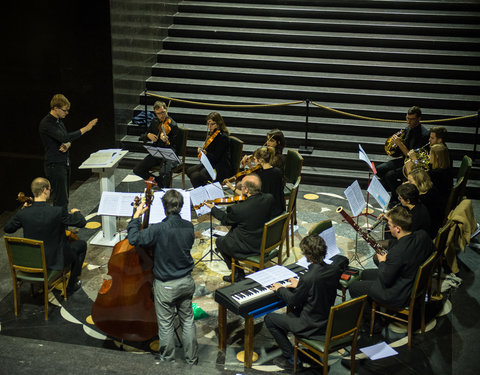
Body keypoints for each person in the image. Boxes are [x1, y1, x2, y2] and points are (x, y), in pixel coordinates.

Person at [126, 189, 198, 365]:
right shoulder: (189, 227)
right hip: (187, 282)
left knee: (165, 325)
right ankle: (192, 360)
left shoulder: (158, 229)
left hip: (166, 286)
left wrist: (136, 216)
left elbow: (134, 239)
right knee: (187, 321)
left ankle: (167, 362)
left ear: (164, 207)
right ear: (180, 206)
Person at [264, 235, 346, 370]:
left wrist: (280, 289)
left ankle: (291, 358)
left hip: (310, 325)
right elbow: (319, 287)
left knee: (270, 319)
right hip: (326, 319)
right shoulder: (334, 270)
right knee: (289, 316)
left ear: (307, 255)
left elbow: (292, 300)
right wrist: (300, 286)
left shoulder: (308, 278)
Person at [348, 205, 435, 332]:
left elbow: (386, 280)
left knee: (354, 287)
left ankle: (373, 324)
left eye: (389, 224)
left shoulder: (397, 254)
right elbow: (416, 246)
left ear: (398, 228)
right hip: (412, 279)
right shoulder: (422, 235)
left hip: (399, 292)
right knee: (366, 274)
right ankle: (374, 308)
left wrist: (383, 262)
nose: (388, 227)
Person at [4, 177, 87, 295]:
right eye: (49, 189)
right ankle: (71, 285)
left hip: (32, 261)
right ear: (44, 190)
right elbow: (81, 223)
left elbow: (8, 228)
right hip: (54, 261)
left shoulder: (23, 214)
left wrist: (22, 210)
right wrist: (76, 212)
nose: (49, 192)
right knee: (81, 245)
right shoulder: (57, 212)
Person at [206, 174, 274, 282]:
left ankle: (237, 273)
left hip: (250, 246)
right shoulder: (269, 198)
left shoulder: (238, 209)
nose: (240, 188)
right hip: (266, 241)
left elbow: (225, 220)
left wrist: (213, 208)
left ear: (246, 190)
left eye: (241, 186)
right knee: (234, 230)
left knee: (220, 241)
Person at [39, 94, 98, 207]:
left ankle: (63, 223)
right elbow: (64, 137)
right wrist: (86, 128)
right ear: (55, 108)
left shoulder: (59, 121)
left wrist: (68, 144)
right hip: (55, 165)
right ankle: (60, 224)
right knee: (61, 199)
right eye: (65, 110)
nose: (67, 113)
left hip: (63, 162)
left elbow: (66, 138)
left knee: (65, 198)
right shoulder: (47, 123)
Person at [376, 106, 429, 197]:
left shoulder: (424, 134)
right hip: (403, 160)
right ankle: (397, 191)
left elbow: (411, 156)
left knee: (389, 175)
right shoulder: (408, 129)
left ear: (419, 119)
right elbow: (400, 152)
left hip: (413, 164)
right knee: (378, 169)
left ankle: (397, 196)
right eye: (407, 118)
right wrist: (395, 145)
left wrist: (399, 143)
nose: (408, 122)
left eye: (412, 119)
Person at [226, 146, 285, 217]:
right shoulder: (278, 171)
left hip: (264, 213)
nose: (254, 161)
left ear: (260, 160)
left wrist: (232, 187)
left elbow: (246, 195)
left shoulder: (259, 177)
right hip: (277, 209)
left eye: (255, 160)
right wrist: (250, 165)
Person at [133, 101, 179, 188]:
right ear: (155, 113)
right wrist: (148, 135)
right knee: (137, 170)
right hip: (156, 153)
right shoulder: (154, 122)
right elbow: (142, 137)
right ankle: (158, 181)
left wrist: (165, 141)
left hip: (169, 155)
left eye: (163, 112)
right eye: (158, 114)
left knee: (164, 173)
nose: (161, 116)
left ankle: (165, 190)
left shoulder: (173, 125)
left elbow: (174, 145)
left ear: (166, 110)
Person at [186, 112, 232, 188]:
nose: (209, 127)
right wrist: (202, 151)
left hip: (220, 166)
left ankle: (204, 194)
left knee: (196, 176)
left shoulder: (223, 137)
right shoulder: (212, 134)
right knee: (189, 171)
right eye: (208, 124)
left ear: (218, 123)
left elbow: (216, 157)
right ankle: (204, 190)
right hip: (211, 162)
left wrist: (206, 153)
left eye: (212, 124)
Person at [408, 168, 444, 236]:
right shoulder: (431, 189)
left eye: (410, 182)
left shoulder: (423, 199)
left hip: (427, 232)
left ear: (419, 182)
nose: (408, 184)